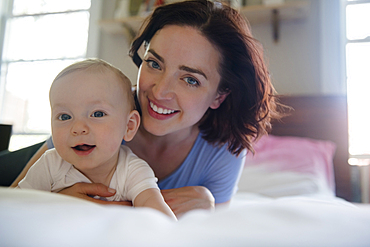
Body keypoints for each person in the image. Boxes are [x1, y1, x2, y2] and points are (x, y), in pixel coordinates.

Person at [11, 0, 281, 217]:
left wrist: (210, 207)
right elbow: (11, 200)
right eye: (154, 63)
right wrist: (53, 203)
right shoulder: (99, 113)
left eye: (190, 79)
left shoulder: (224, 149)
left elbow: (214, 229)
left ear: (219, 96)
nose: (160, 91)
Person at [16, 59, 177, 220]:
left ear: (128, 126)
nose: (78, 128)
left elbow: (158, 217)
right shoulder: (50, 165)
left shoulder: (133, 171)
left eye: (97, 114)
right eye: (65, 116)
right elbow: (13, 208)